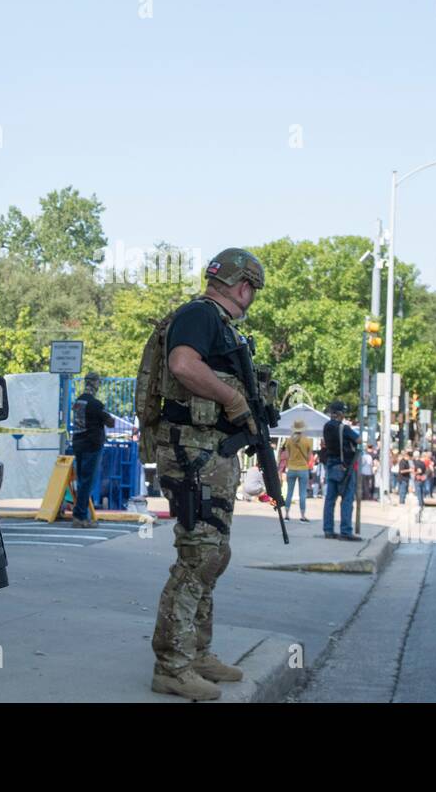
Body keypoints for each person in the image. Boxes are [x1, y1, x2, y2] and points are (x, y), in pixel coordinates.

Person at [147, 248, 268, 701]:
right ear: (244, 287)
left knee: (214, 555)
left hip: (210, 454)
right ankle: (171, 666)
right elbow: (182, 364)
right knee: (198, 555)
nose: (250, 296)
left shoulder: (217, 323)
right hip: (192, 454)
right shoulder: (200, 315)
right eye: (252, 289)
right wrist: (233, 402)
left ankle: (197, 652)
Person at [71, 370, 115, 527]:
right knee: (87, 483)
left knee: (82, 481)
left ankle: (82, 514)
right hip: (92, 446)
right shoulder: (95, 404)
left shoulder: (78, 402)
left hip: (78, 444)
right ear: (96, 383)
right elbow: (111, 422)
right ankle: (80, 516)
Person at [321, 401, 363, 540]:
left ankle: (328, 530)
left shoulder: (326, 427)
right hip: (344, 466)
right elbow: (358, 440)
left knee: (330, 499)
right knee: (347, 499)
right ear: (339, 414)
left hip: (331, 464)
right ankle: (345, 531)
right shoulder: (343, 428)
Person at [283, 418, 313, 522]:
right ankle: (302, 516)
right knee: (302, 494)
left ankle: (286, 515)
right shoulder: (307, 441)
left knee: (289, 493)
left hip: (291, 468)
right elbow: (309, 458)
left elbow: (286, 456)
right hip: (303, 469)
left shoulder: (289, 440)